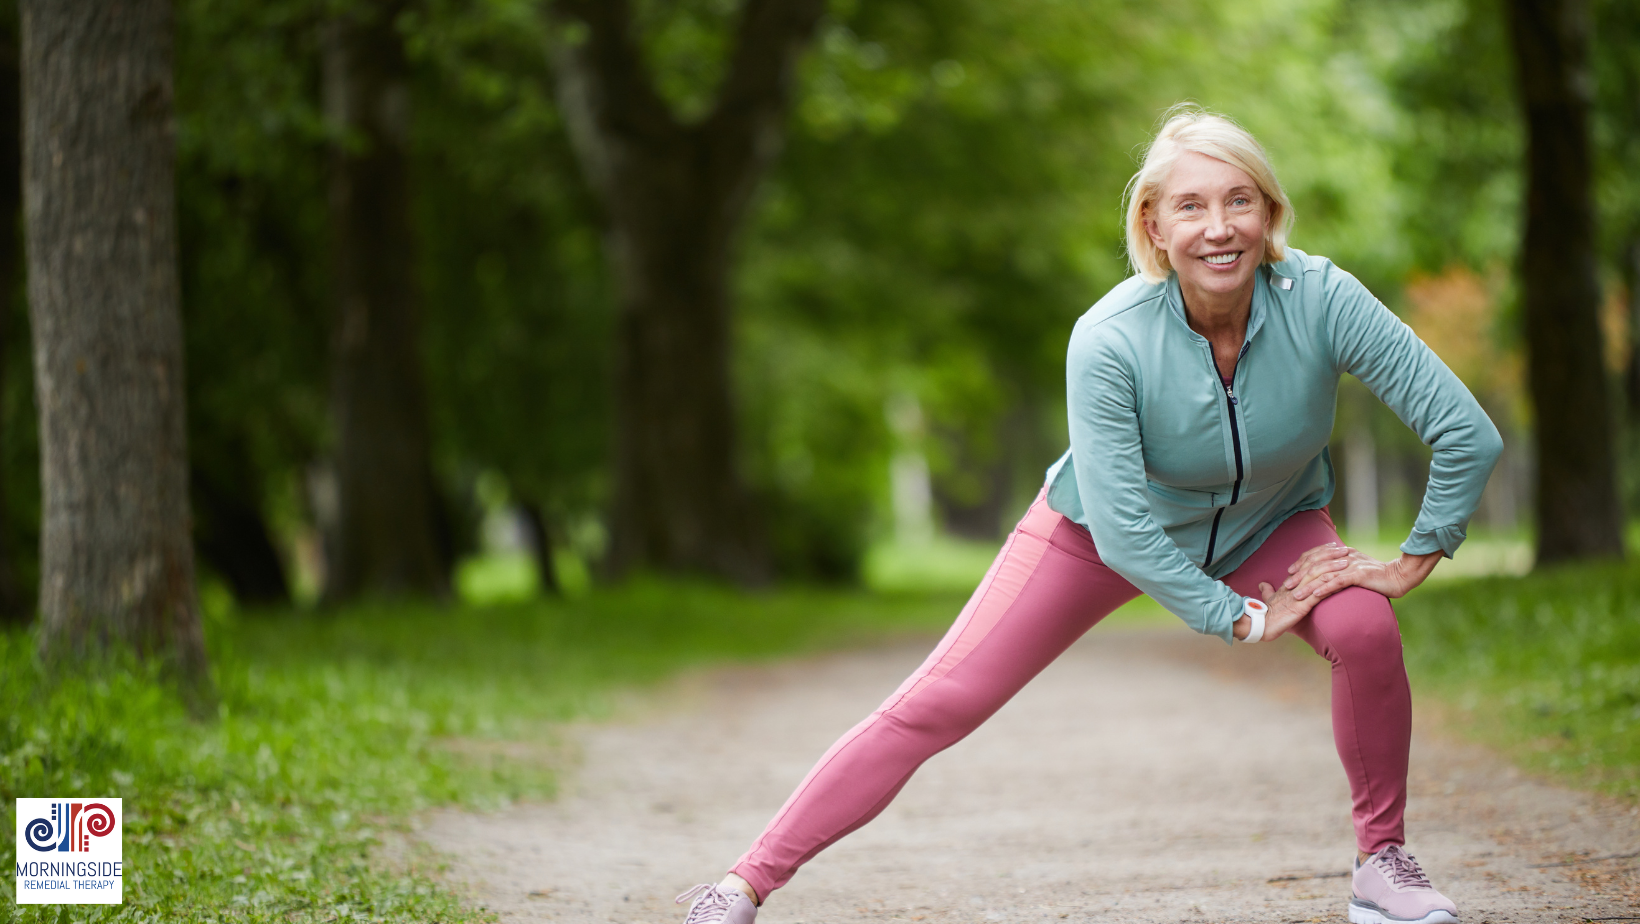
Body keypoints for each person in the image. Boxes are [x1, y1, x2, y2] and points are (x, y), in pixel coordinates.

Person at [674, 107, 1501, 924]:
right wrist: (1239, 617)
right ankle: (740, 888)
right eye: (1191, 205)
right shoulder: (1110, 337)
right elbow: (1123, 528)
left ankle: (1381, 865)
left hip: (1270, 522)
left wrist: (1413, 558)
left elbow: (1466, 431)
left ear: (1270, 212)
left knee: (1363, 627)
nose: (1220, 228)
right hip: (1098, 534)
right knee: (942, 699)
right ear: (1154, 226)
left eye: (1240, 201)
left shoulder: (1322, 300)